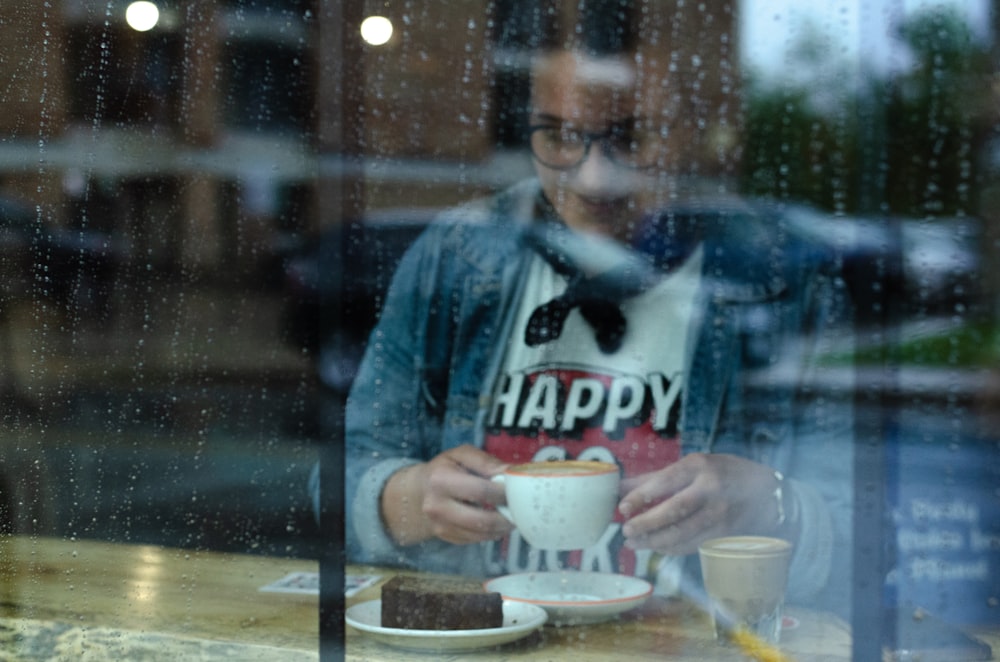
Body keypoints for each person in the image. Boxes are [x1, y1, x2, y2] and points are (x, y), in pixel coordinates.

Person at [337, 2, 854, 616]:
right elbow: (328, 485)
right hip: (485, 642)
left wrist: (771, 504)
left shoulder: (776, 284)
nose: (593, 181)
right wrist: (410, 497)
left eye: (632, 138)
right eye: (558, 136)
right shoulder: (454, 260)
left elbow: (867, 546)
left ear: (688, 132)